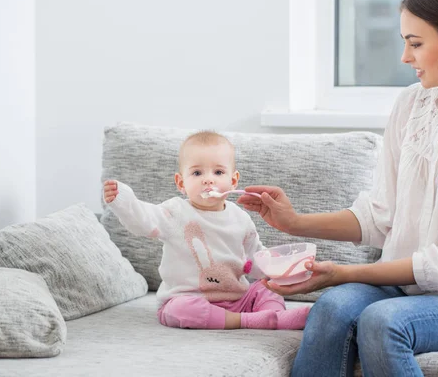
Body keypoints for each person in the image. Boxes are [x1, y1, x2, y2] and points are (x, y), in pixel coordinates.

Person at [237, 0, 438, 375]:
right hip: (410, 289)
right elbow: (379, 216)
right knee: (333, 307)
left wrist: (344, 273)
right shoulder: (412, 105)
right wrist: (293, 222)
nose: (405, 57)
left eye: (416, 42)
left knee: (384, 322)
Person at [103, 130, 310, 330]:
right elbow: (144, 220)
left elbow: (255, 257)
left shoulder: (240, 218)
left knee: (267, 288)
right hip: (190, 300)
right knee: (179, 310)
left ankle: (274, 317)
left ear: (233, 180)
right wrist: (124, 201)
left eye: (218, 172)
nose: (208, 179)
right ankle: (253, 321)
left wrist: (286, 269)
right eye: (197, 172)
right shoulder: (175, 212)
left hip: (239, 299)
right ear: (181, 183)